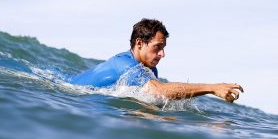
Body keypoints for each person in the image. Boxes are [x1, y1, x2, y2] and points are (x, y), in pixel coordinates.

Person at [70, 18, 243, 102]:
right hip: (70, 94)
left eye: (164, 48)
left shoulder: (149, 70)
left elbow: (151, 101)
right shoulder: (125, 64)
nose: (162, 54)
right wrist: (211, 88)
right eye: (157, 47)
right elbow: (159, 91)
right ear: (139, 43)